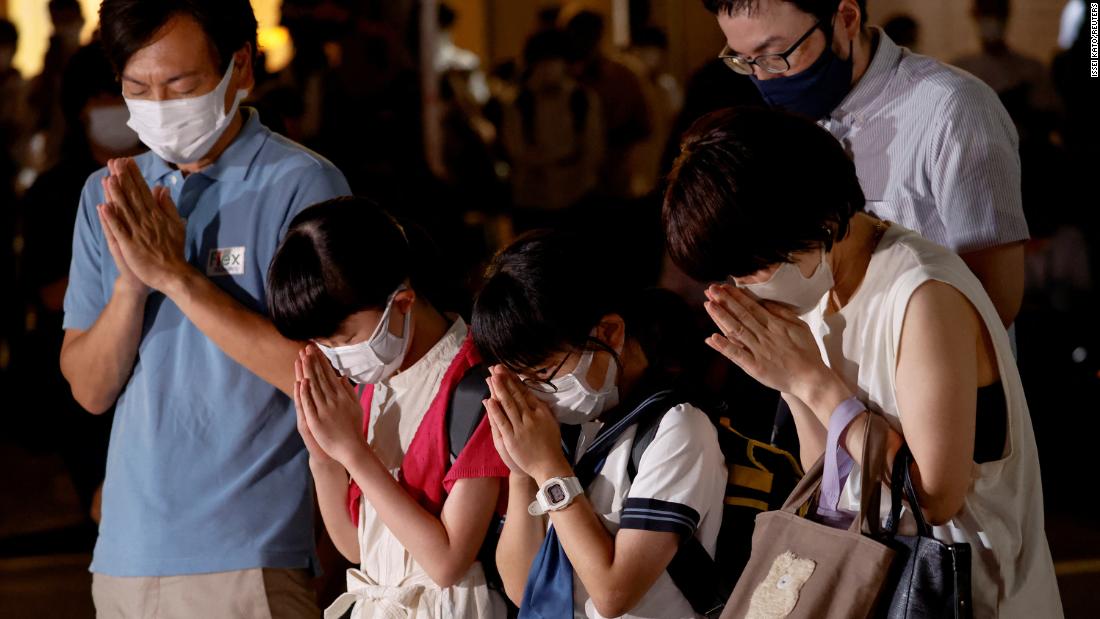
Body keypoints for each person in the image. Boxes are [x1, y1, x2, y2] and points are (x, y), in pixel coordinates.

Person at [663, 107, 1063, 618]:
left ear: (825, 223)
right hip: (878, 578)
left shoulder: (921, 295)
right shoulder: (816, 283)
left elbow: (934, 498)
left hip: (965, 592)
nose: (745, 285)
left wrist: (810, 380)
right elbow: (824, 471)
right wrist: (788, 379)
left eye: (752, 267)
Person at [59, 0, 351, 616]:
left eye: (180, 84)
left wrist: (178, 278)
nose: (158, 105)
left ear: (239, 69)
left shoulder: (302, 184)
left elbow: (327, 378)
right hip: (125, 554)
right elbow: (88, 388)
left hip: (251, 551)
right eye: (138, 87)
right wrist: (132, 284)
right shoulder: (109, 195)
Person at [702, 0, 1027, 328]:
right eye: (745, 61)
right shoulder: (793, 123)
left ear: (845, 18)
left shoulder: (950, 109)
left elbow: (993, 303)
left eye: (776, 54)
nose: (763, 77)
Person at [265, 196, 510, 618]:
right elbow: (359, 546)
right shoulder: (372, 383)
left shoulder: (477, 388)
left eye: (342, 340)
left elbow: (448, 562)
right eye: (322, 345)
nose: (337, 357)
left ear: (402, 303)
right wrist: (323, 458)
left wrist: (354, 454)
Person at [472, 231, 726, 618]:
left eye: (542, 371)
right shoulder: (572, 425)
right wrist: (522, 472)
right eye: (522, 380)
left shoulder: (678, 428)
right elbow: (524, 589)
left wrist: (548, 469)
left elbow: (613, 594)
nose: (536, 393)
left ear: (608, 332)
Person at [18, 40, 143, 524]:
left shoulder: (172, 178)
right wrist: (127, 276)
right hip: (85, 371)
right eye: (102, 98)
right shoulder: (55, 192)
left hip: (152, 368)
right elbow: (47, 290)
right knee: (105, 504)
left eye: (123, 96)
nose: (115, 110)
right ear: (78, 108)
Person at [502, 29, 604, 229]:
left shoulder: (581, 99)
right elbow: (515, 149)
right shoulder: (520, 102)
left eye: (553, 61)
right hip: (531, 202)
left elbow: (594, 149)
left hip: (575, 199)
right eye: (542, 63)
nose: (547, 69)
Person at [951, 0, 1059, 130]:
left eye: (997, 13)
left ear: (1007, 14)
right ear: (975, 15)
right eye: (986, 13)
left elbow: (1050, 117)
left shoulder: (1031, 70)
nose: (992, 20)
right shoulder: (959, 70)